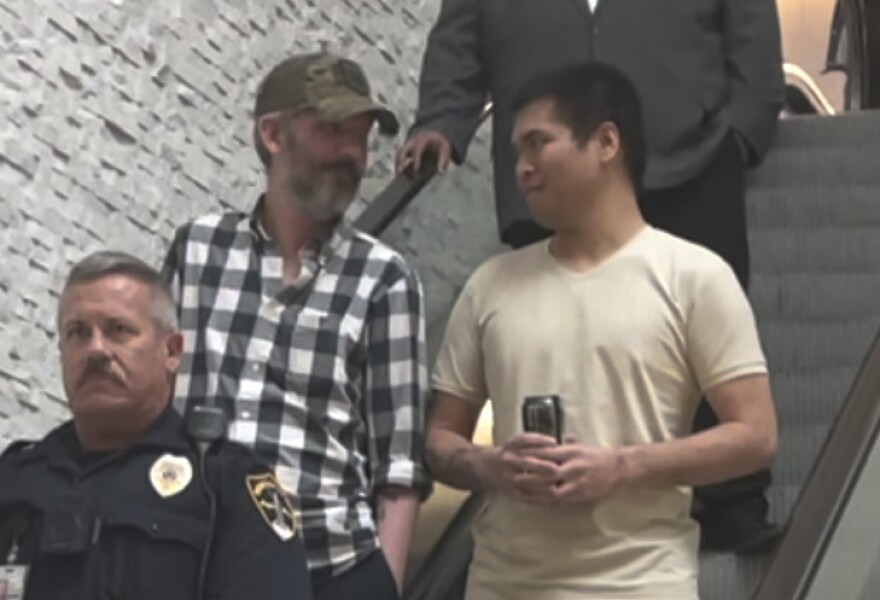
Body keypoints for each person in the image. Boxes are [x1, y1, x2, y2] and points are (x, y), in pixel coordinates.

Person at [400, 0, 785, 551]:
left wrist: (744, 128)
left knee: (707, 341)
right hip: (554, 184)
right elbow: (458, 41)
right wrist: (441, 121)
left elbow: (747, 22)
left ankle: (734, 503)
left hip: (692, 161)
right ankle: (565, 493)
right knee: (563, 348)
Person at [162, 52, 431, 600]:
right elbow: (152, 400)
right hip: (189, 553)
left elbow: (398, 467)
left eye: (361, 138)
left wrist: (384, 586)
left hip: (325, 569)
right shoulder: (198, 248)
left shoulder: (385, 280)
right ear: (273, 134)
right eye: (334, 130)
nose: (351, 154)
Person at [0, 251, 314, 600]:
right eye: (78, 333)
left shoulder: (223, 485)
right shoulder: (16, 476)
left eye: (119, 330)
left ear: (172, 351)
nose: (96, 349)